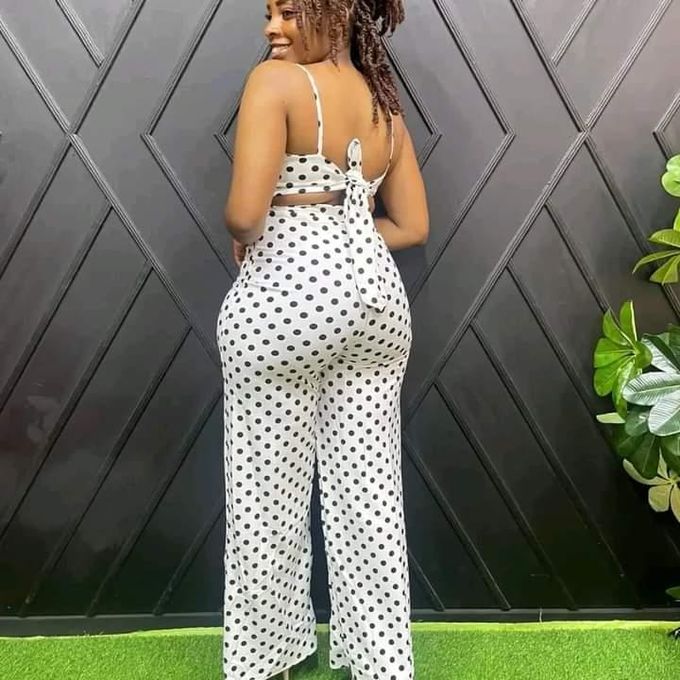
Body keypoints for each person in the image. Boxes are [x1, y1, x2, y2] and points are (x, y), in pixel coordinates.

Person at [216, 0, 429, 678]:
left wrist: (257, 233)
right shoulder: (382, 103)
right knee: (369, 492)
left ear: (335, 10)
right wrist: (347, 234)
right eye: (268, 13)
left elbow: (245, 215)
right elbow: (412, 226)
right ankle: (381, 662)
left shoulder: (274, 82)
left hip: (285, 302)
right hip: (377, 306)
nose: (270, 28)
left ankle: (265, 658)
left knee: (266, 492)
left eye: (287, 11)